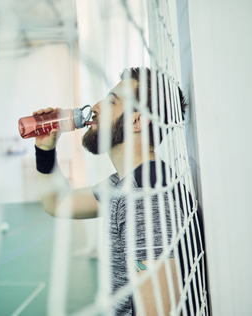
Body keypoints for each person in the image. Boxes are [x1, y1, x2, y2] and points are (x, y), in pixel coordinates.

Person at [34, 67, 197, 315]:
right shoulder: (126, 185)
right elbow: (58, 203)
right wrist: (45, 151)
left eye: (111, 101)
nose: (95, 107)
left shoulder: (146, 198)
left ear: (137, 120)